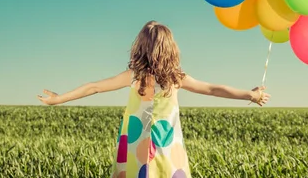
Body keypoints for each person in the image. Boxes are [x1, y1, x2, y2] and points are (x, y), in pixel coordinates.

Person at [37, 20, 270, 178]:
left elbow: (94, 87)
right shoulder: (176, 78)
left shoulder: (134, 77)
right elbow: (213, 89)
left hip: (135, 147)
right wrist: (250, 94)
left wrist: (59, 99)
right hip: (167, 146)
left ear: (140, 48)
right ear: (170, 49)